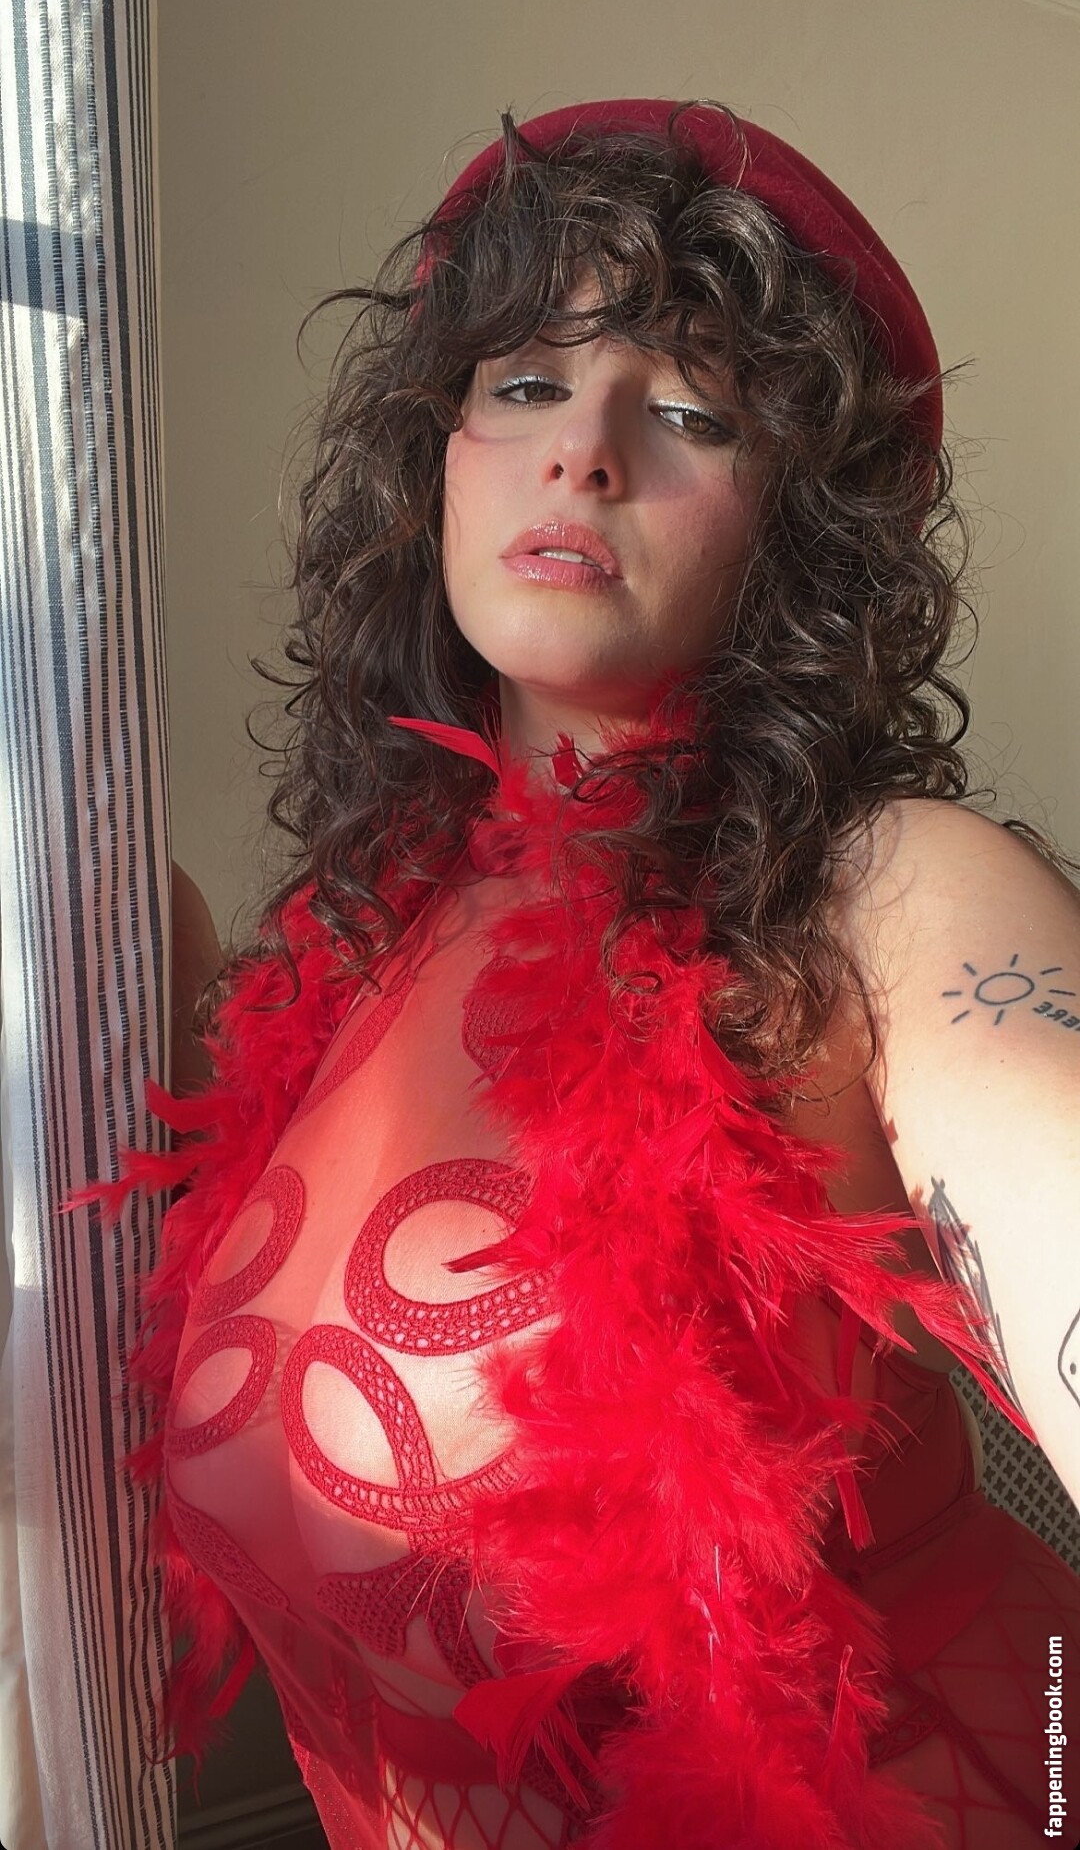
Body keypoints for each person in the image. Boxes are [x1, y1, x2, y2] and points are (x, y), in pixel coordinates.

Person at [93, 100, 1080, 1849]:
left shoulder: (886, 897)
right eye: (529, 382)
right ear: (438, 458)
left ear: (798, 527)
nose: (587, 453)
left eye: (694, 411)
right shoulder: (334, 949)